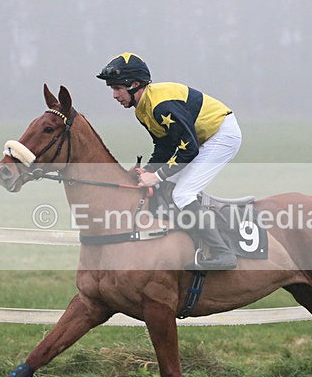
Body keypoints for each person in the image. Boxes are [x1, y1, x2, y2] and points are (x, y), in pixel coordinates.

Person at [97, 52, 242, 270]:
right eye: (112, 89)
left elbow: (189, 148)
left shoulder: (161, 106)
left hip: (221, 135)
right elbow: (165, 147)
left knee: (183, 194)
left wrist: (156, 176)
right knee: (167, 186)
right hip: (199, 139)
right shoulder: (141, 110)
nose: (115, 95)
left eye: (117, 88)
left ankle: (223, 252)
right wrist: (146, 171)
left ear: (134, 85)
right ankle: (186, 240)